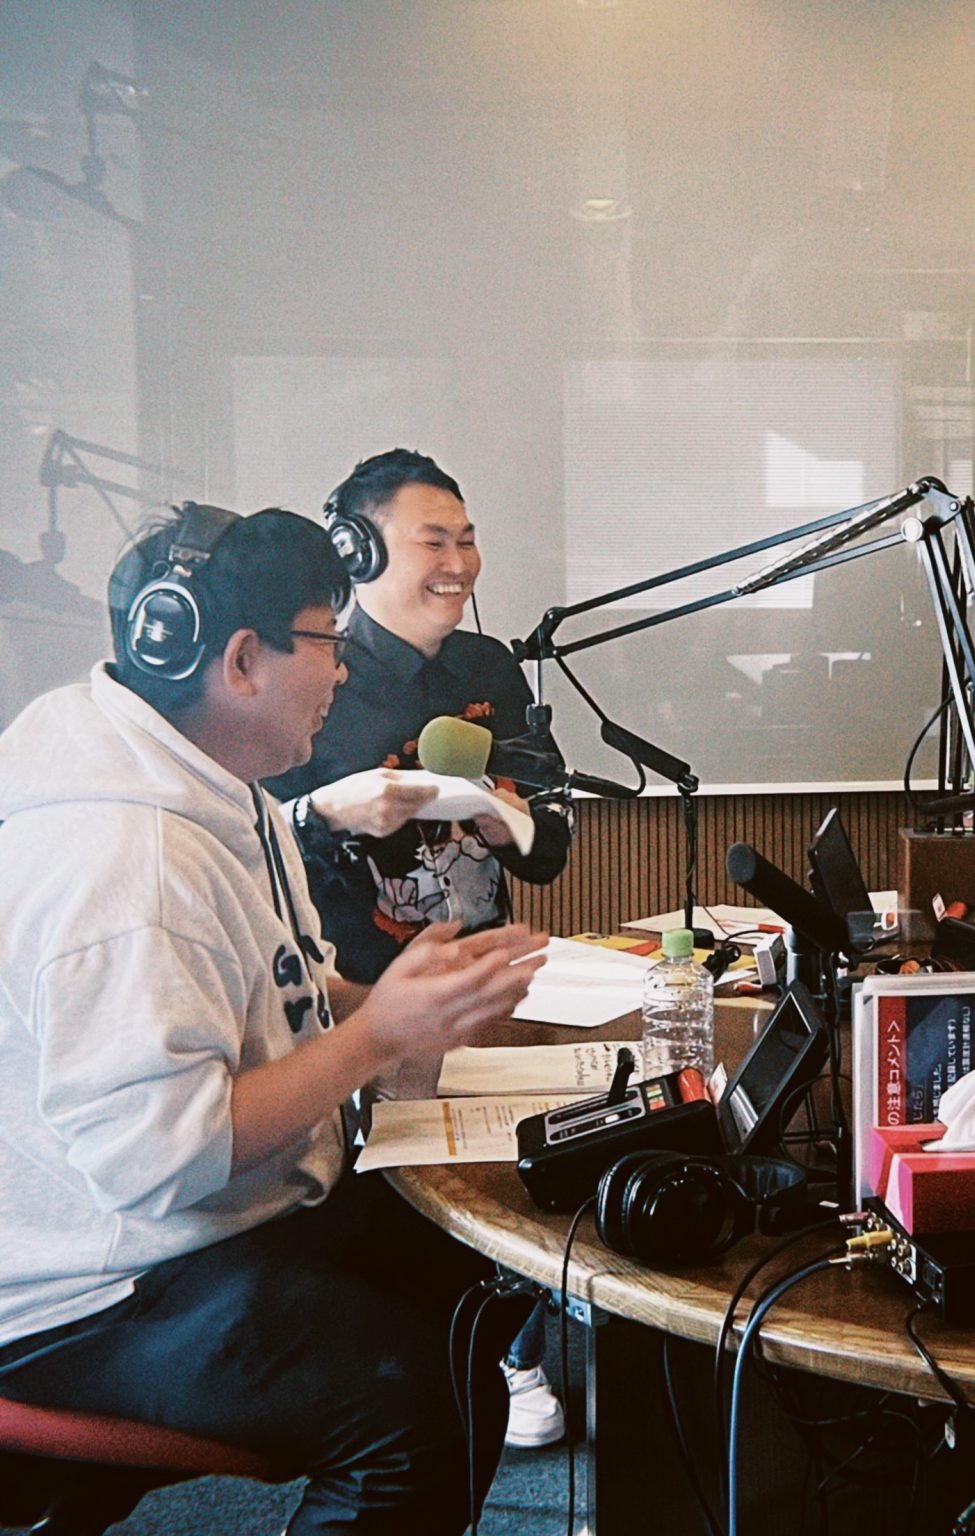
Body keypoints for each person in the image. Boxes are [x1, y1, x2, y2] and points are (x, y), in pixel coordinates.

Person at [0, 504, 547, 1533]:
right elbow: (163, 1157)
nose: (340, 670)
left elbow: (284, 988)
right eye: (327, 641)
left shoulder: (213, 785)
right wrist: (379, 1034)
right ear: (243, 660)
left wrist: (403, 1005)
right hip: (90, 1294)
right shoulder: (123, 864)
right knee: (413, 1410)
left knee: (470, 1281)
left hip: (204, 1226)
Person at [267, 447, 569, 1448]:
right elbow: (254, 846)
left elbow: (550, 852)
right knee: (398, 1220)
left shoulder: (488, 670)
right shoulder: (314, 674)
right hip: (354, 1001)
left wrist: (505, 819)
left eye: (468, 539)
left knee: (510, 1181)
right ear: (358, 551)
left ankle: (513, 1346)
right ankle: (431, 1365)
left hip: (482, 988)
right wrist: (328, 810)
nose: (460, 563)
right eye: (433, 541)